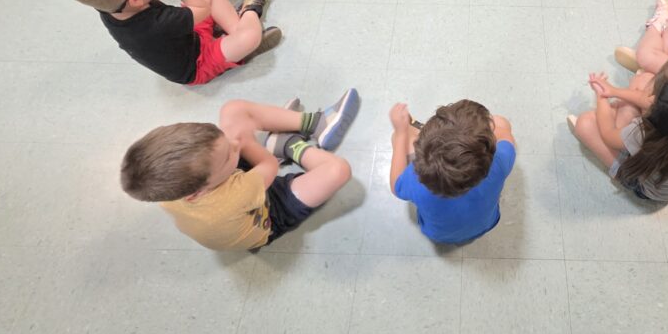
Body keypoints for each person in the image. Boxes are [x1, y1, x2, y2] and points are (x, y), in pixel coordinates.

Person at [120, 91, 360, 251]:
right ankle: (290, 145)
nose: (234, 144)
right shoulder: (234, 194)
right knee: (338, 170)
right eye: (228, 155)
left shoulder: (169, 190)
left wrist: (232, 147)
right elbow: (269, 166)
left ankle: (314, 123)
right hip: (269, 215)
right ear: (199, 190)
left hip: (223, 182)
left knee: (232, 109)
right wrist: (247, 143)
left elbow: (229, 148)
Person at [51, 0, 281, 84]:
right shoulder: (157, 24)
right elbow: (202, 10)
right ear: (135, 0)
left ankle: (232, 37)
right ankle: (248, 20)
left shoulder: (113, 7)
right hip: (197, 65)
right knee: (247, 36)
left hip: (188, 37)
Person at [568, 57, 668, 202]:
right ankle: (619, 113)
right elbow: (652, 101)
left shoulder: (642, 132)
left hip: (650, 189)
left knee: (586, 124)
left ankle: (619, 171)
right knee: (643, 79)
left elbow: (608, 135)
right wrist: (614, 91)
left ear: (658, 97)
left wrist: (601, 96)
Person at [388, 100, 515, 244]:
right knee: (500, 121)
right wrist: (486, 129)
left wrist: (400, 133)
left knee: (404, 137)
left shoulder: (415, 179)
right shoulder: (500, 162)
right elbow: (506, 135)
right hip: (485, 225)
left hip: (439, 234)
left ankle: (414, 133)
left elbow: (395, 186)